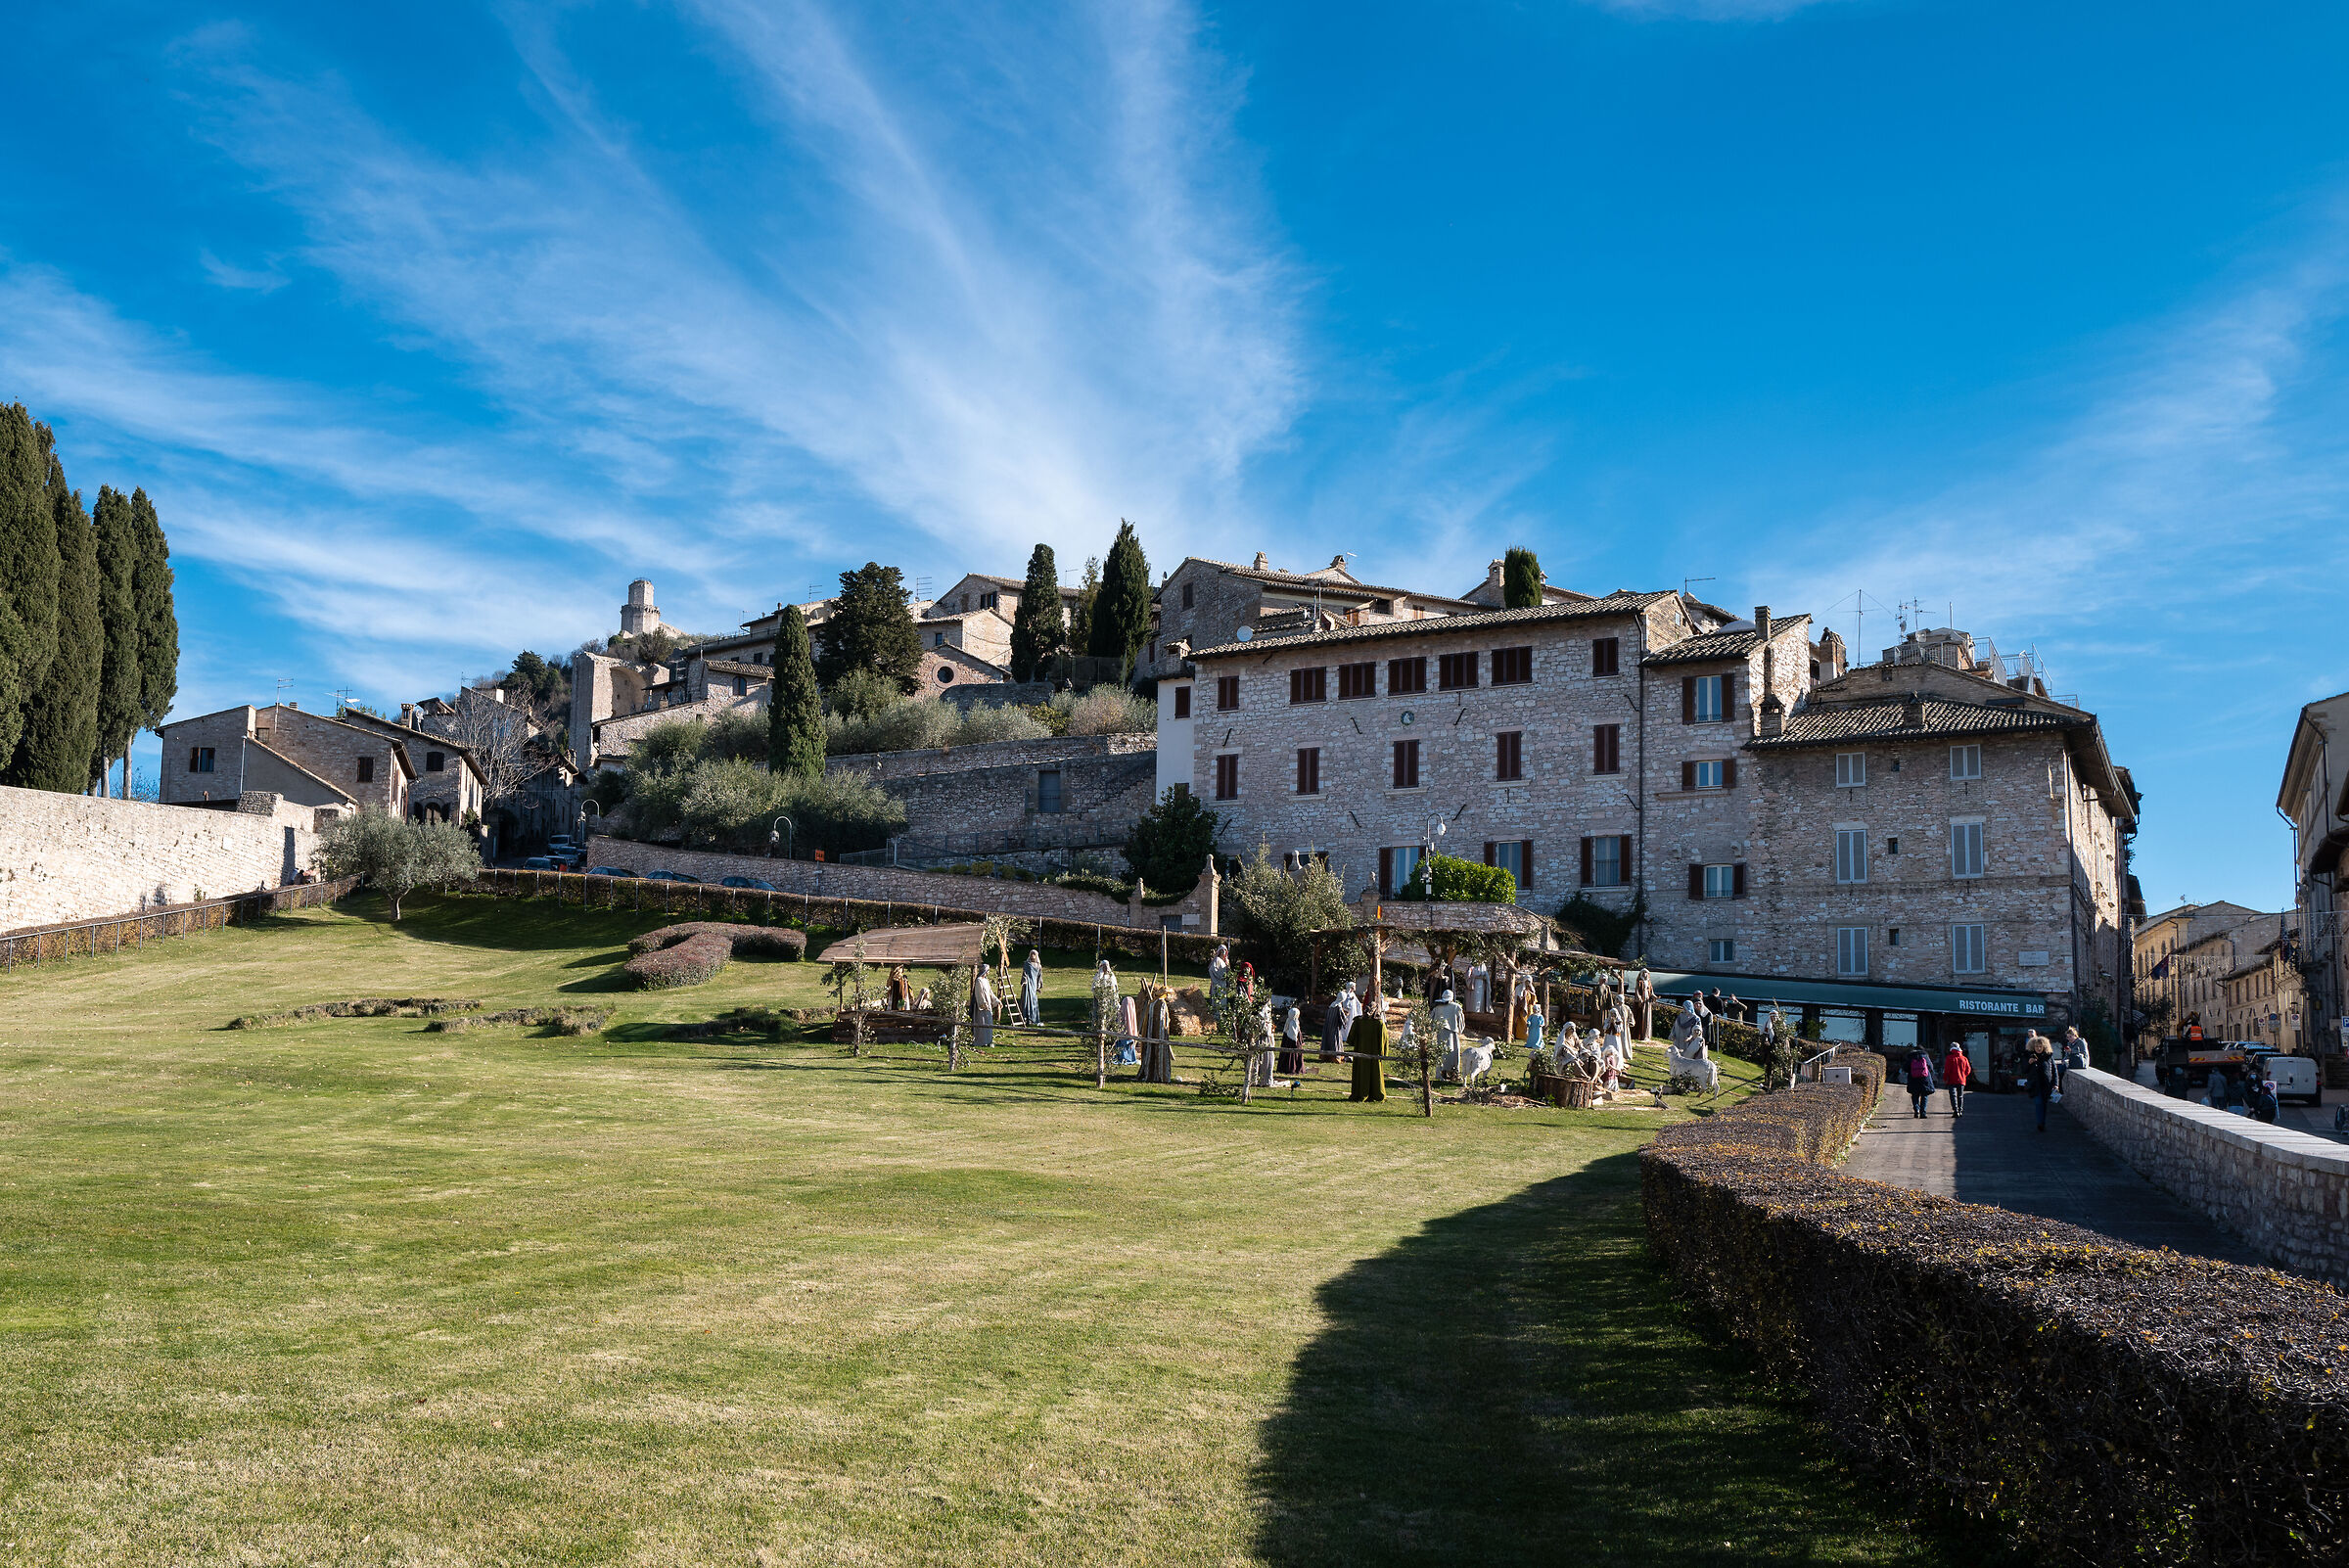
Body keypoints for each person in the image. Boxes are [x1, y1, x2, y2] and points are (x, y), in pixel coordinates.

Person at [1348, 1006, 1389, 1102]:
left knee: (1362, 1073)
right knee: (1375, 1074)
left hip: (1360, 1054)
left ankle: (1361, 1093)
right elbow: (1384, 1040)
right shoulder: (1379, 1023)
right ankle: (1376, 1094)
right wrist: (1383, 1053)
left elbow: (1350, 1039)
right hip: (1374, 1055)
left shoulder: (1358, 1022)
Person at [2024, 1037, 2057, 1131]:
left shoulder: (2049, 1056)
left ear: (2044, 1047)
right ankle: (2040, 1123)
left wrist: (2056, 1084)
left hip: (2046, 1084)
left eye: (2040, 1046)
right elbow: (2024, 1070)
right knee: (2038, 1103)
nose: (2038, 1048)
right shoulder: (2029, 1056)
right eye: (2036, 1046)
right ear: (2033, 1047)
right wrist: (2029, 1063)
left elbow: (2054, 1071)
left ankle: (2042, 1122)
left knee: (2044, 1104)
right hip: (2035, 1085)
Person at [1940, 1039, 1972, 1117]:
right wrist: (1964, 1075)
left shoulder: (1949, 1058)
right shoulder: (1964, 1058)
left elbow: (1947, 1070)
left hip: (1952, 1080)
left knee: (1953, 1095)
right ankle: (1960, 1110)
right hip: (1961, 1080)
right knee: (1960, 1096)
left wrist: (1945, 1078)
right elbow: (1968, 1070)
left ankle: (1955, 1110)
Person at [1906, 1046, 1936, 1119]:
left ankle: (1917, 1109)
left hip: (1913, 1079)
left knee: (1915, 1095)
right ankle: (1923, 1113)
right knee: (1924, 1095)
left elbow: (1905, 1068)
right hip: (1924, 1079)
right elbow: (1931, 1067)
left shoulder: (1910, 1056)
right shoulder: (1925, 1056)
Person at [972, 967, 996, 1049]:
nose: (988, 972)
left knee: (988, 1022)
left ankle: (988, 1040)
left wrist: (996, 1000)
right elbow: (979, 993)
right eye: (988, 970)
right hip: (981, 1006)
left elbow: (990, 992)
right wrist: (983, 1003)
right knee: (982, 1022)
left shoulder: (986, 980)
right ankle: (981, 1041)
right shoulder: (978, 980)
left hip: (988, 1004)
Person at [1021, 948, 1043, 1027]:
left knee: (1033, 1001)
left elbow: (1039, 976)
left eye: (1034, 954)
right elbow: (1024, 974)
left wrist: (1038, 986)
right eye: (1031, 954)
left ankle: (1033, 1018)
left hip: (1034, 985)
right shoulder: (1027, 964)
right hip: (1027, 985)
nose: (1032, 956)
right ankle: (1026, 1018)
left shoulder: (1038, 966)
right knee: (1026, 1000)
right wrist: (1024, 981)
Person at [1280, 1003, 1304, 1076]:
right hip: (1293, 1042)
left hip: (1286, 1041)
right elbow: (1294, 1034)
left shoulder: (1288, 1020)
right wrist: (1297, 1042)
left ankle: (1283, 1068)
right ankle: (1292, 1068)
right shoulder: (1294, 1022)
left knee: (1286, 1055)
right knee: (1293, 1055)